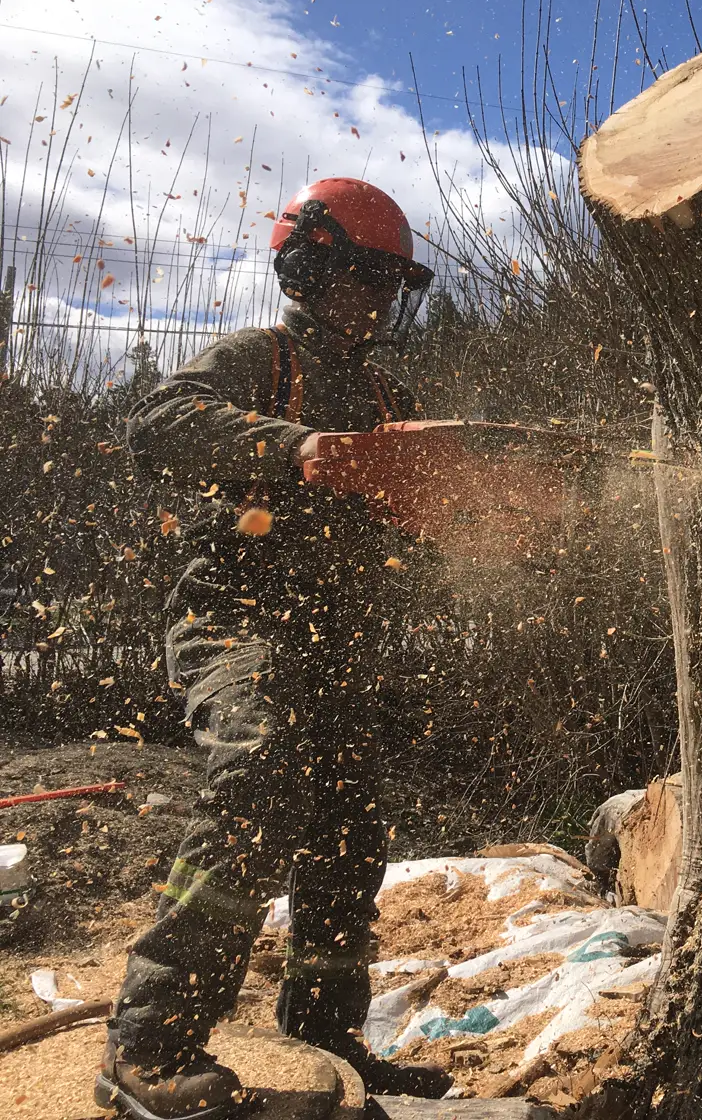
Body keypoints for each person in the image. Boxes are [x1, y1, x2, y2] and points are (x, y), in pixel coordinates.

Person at [96, 178, 453, 1119]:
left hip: (343, 639)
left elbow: (410, 514)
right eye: (355, 277)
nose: (371, 300)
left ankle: (327, 1040)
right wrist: (296, 446)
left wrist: (471, 504)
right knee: (258, 774)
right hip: (236, 621)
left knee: (348, 825)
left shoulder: (390, 393)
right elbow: (156, 424)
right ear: (304, 268)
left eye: (386, 284)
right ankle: (150, 1042)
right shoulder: (264, 359)